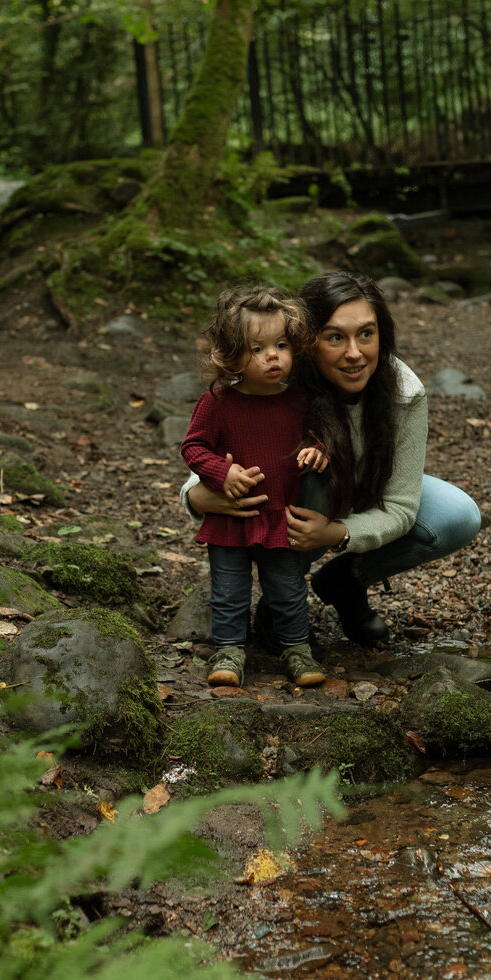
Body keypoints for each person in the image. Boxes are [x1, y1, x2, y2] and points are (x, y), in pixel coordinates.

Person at [182, 270, 481, 646]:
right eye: (336, 337)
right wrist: (198, 495)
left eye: (366, 334)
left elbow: (402, 507)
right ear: (307, 340)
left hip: (360, 494)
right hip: (291, 498)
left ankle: (345, 579)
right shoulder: (278, 376)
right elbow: (212, 452)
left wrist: (339, 534)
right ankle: (282, 600)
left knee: (458, 515)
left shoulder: (403, 392)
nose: (354, 353)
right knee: (313, 478)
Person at [181, 284, 330, 690]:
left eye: (281, 344)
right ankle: (229, 649)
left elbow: (318, 437)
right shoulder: (217, 403)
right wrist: (219, 473)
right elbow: (193, 447)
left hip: (279, 515)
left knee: (287, 588)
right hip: (232, 518)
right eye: (256, 348)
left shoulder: (299, 402)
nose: (272, 356)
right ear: (231, 354)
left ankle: (297, 648)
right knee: (228, 590)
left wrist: (317, 451)